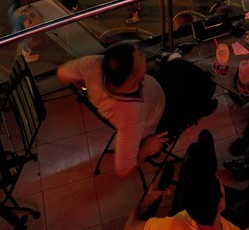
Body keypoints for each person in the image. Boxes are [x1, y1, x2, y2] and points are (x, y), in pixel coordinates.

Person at [127, 131, 249, 230]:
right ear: (221, 203)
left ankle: (202, 147)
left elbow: (129, 228)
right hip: (228, 219)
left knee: (196, 150)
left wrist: (147, 200)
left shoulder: (172, 226)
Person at [55, 43, 167, 178]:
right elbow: (124, 169)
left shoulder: (92, 63)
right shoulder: (130, 115)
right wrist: (146, 150)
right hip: (159, 110)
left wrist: (85, 85)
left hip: (152, 92)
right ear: (131, 79)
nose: (143, 56)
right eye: (140, 61)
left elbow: (62, 73)